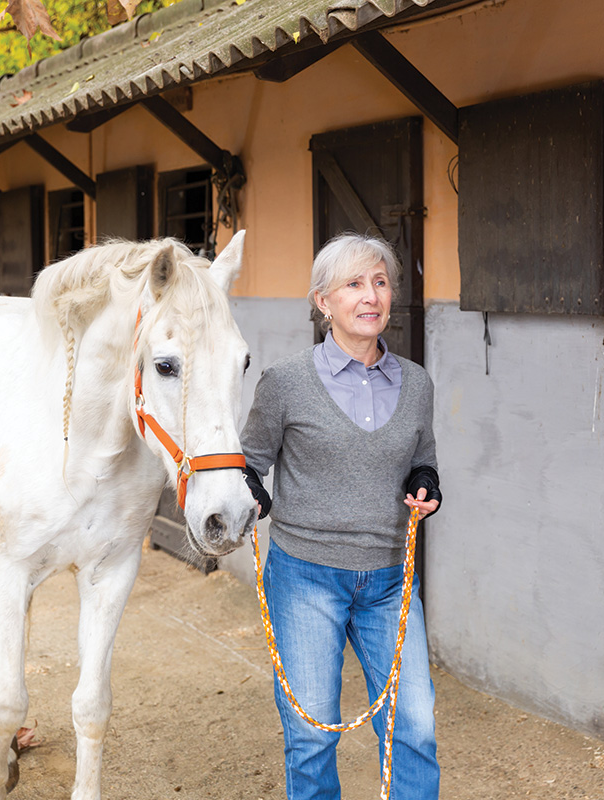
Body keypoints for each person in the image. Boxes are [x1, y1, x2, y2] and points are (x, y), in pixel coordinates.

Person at [240, 233, 443, 800]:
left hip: (389, 581)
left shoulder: (417, 383)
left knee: (415, 729)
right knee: (309, 736)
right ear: (322, 302)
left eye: (380, 282)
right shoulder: (284, 383)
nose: (371, 295)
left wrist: (425, 487)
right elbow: (250, 464)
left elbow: (422, 463)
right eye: (354, 284)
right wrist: (253, 493)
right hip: (306, 576)